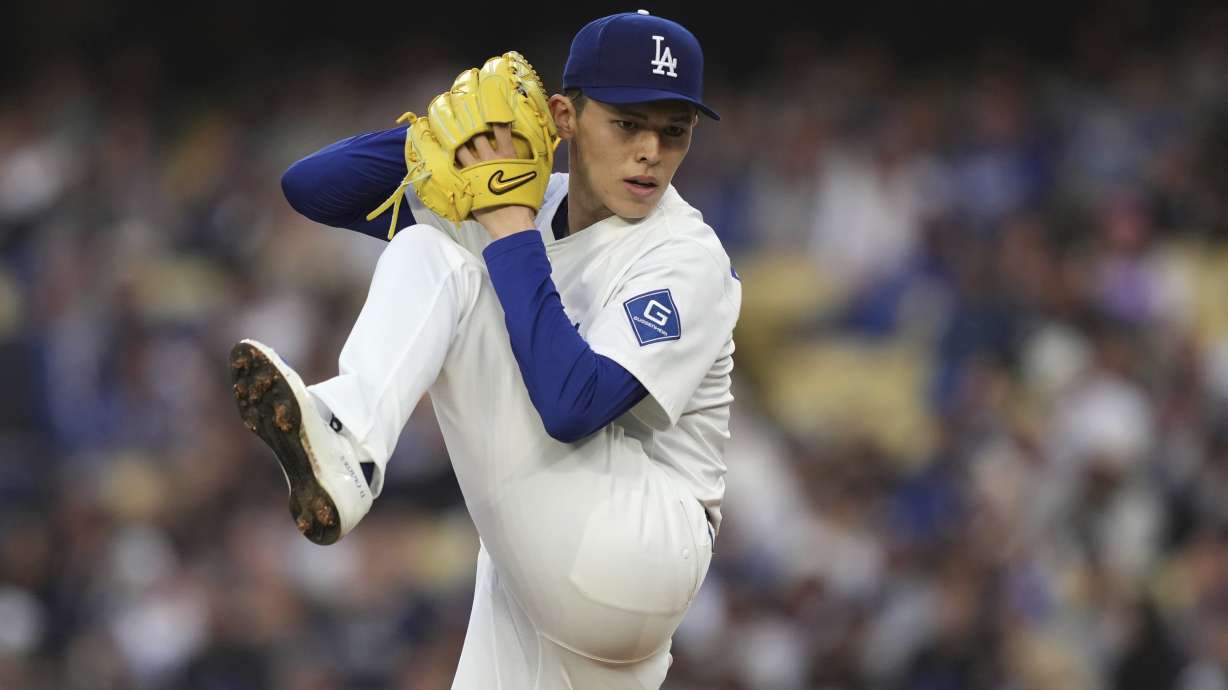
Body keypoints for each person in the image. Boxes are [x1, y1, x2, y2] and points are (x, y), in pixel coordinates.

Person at [229, 10, 741, 689]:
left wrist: (507, 225)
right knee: (438, 247)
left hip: (639, 545)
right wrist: (449, 136)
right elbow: (312, 188)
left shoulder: (685, 254)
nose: (651, 149)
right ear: (564, 117)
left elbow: (572, 406)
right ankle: (346, 439)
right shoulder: (517, 192)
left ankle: (350, 439)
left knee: (430, 252)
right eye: (627, 124)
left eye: (673, 130)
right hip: (547, 575)